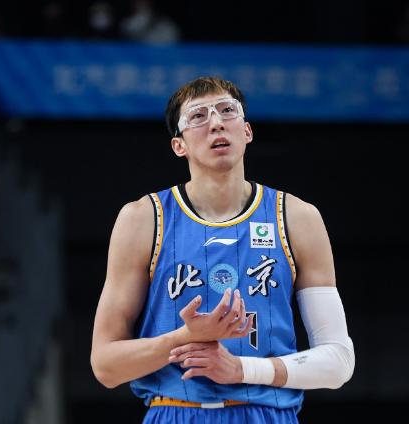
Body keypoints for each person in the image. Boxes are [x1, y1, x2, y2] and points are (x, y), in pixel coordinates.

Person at [91, 77, 355, 423]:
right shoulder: (142, 219)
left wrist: (242, 369)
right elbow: (106, 366)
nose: (216, 122)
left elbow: (338, 361)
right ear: (179, 146)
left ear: (246, 131)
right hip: (175, 412)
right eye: (198, 116)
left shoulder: (296, 217)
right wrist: (186, 337)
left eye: (227, 111)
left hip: (267, 414)